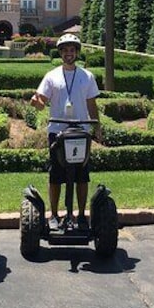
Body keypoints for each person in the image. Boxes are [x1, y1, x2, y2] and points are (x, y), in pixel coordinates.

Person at [30, 34, 102, 230]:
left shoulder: (87, 76)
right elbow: (41, 101)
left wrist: (97, 126)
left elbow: (91, 103)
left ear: (77, 53)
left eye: (72, 50)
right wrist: (36, 103)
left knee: (82, 175)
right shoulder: (51, 76)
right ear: (60, 53)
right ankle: (53, 215)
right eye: (65, 50)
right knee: (56, 175)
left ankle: (79, 215)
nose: (68, 54)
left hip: (81, 131)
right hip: (58, 131)